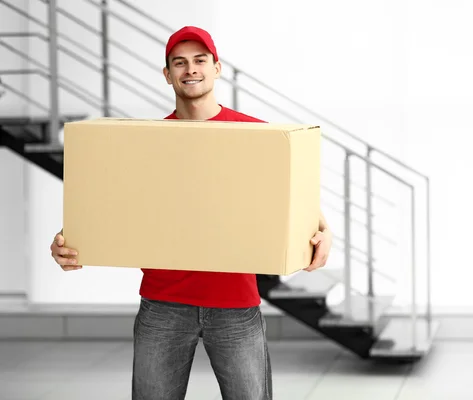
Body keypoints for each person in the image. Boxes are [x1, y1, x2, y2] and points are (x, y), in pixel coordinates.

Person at [49, 26, 333, 400]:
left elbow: (294, 201)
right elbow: (112, 204)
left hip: (235, 305)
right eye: (179, 63)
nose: (190, 69)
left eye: (200, 60)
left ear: (217, 68)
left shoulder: (259, 136)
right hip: (163, 306)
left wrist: (324, 232)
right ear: (168, 75)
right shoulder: (146, 142)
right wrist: (70, 241)